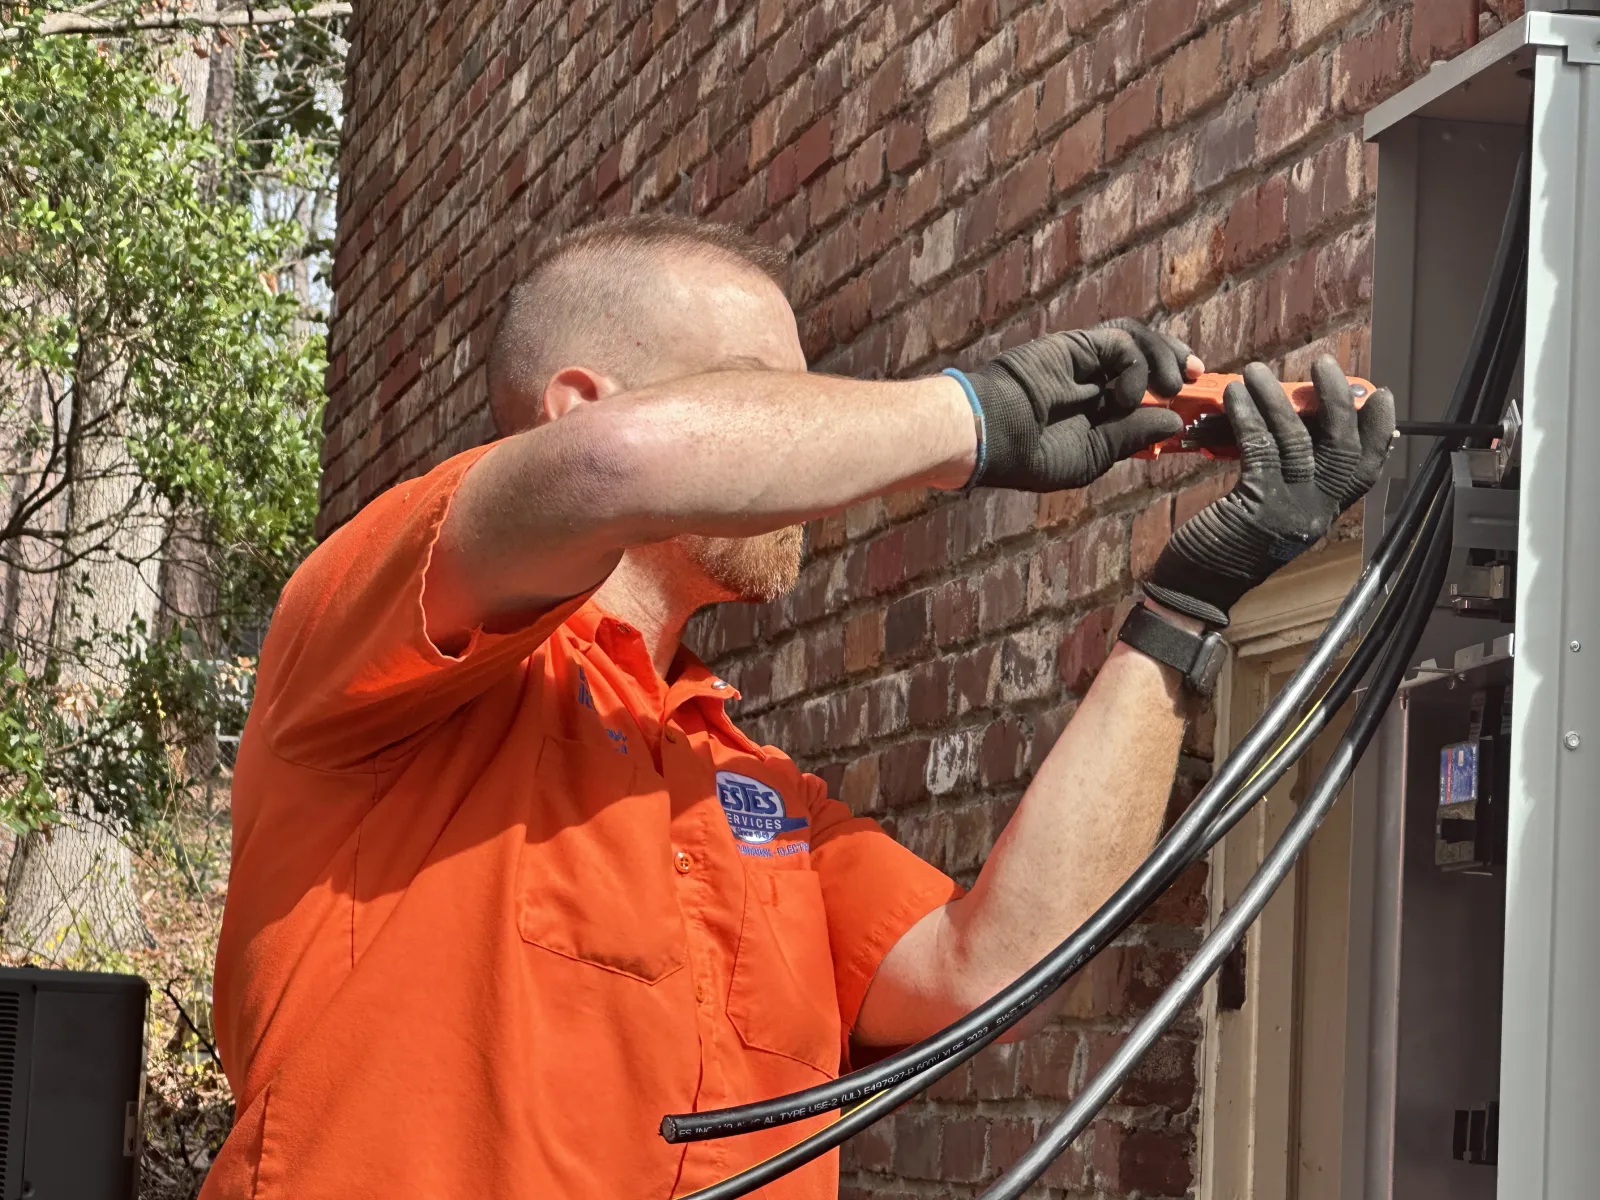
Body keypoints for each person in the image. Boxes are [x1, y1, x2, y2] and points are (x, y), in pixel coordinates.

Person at [202, 215, 1394, 1199]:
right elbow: (620, 471)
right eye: (769, 395)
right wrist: (968, 419)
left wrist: (1183, 610)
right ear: (580, 402)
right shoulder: (382, 641)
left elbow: (990, 972)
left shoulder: (748, 792)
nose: (818, 435)